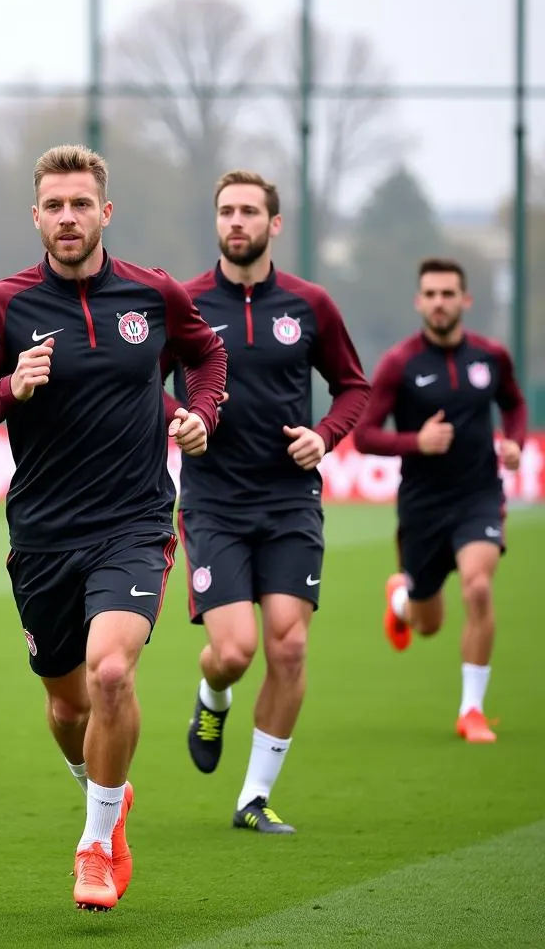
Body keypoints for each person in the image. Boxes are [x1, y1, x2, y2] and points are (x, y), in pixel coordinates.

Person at [0, 144, 227, 911]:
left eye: (81, 204)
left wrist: (201, 413)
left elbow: (205, 356)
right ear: (36, 216)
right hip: (40, 535)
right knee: (69, 707)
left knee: (110, 674)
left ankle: (95, 844)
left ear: (106, 211)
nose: (68, 218)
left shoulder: (151, 292)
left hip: (133, 523)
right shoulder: (5, 305)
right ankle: (109, 793)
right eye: (54, 206)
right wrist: (12, 386)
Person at [165, 170, 370, 835]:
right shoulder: (185, 302)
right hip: (214, 501)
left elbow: (353, 387)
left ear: (274, 224)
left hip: (289, 504)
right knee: (235, 651)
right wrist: (178, 416)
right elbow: (138, 383)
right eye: (226, 210)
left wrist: (325, 435)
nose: (237, 222)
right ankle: (212, 695)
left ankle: (252, 798)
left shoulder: (309, 305)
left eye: (250, 211)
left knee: (288, 649)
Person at [353, 257, 526, 743]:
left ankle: (471, 710)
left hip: (479, 496)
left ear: (465, 300)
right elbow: (364, 436)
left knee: (477, 587)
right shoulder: (400, 363)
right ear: (419, 301)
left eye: (449, 294)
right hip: (423, 507)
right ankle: (403, 599)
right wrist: (416, 442)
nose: (439, 303)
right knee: (429, 624)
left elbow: (514, 404)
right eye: (430, 294)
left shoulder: (490, 357)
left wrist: (515, 442)